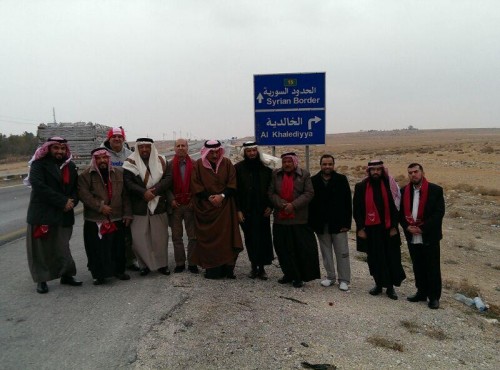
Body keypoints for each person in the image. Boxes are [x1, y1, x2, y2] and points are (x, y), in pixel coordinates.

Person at [25, 137, 82, 294]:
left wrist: (72, 202)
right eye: (56, 148)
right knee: (41, 249)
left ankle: (67, 275)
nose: (60, 151)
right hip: (43, 214)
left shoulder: (70, 166)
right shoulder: (38, 164)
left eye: (62, 149)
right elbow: (38, 186)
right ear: (49, 149)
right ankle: (41, 279)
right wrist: (63, 201)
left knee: (63, 247)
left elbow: (76, 188)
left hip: (64, 214)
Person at [78, 147, 133, 285]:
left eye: (105, 157)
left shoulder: (118, 174)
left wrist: (127, 213)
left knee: (118, 247)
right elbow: (84, 195)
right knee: (97, 249)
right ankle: (99, 275)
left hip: (116, 217)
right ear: (94, 160)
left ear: (108, 159)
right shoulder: (85, 175)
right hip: (96, 219)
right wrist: (100, 207)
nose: (102, 160)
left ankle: (119, 271)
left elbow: (125, 196)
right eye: (99, 158)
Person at [353, 159, 406, 299]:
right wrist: (360, 228)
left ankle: (390, 287)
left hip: (388, 229)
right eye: (373, 170)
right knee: (374, 258)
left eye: (378, 169)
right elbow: (357, 210)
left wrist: (394, 226)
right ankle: (378, 284)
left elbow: (397, 207)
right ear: (369, 171)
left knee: (391, 258)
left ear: (382, 170)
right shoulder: (361, 186)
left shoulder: (390, 185)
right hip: (371, 230)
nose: (375, 172)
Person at [190, 140, 243, 279]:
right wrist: (210, 198)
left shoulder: (227, 163)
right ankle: (212, 267)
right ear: (206, 152)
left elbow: (232, 184)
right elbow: (196, 187)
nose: (214, 155)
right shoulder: (198, 165)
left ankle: (228, 268)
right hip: (206, 209)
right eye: (211, 152)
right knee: (209, 240)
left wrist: (222, 196)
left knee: (227, 238)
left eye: (216, 152)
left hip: (226, 208)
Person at [268, 152, 320, 288]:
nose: (286, 164)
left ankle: (299, 277)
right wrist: (281, 204)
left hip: (299, 219)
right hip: (281, 219)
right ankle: (288, 274)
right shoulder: (276, 174)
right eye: (284, 162)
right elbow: (271, 193)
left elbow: (309, 193)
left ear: (295, 162)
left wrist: (293, 205)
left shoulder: (304, 174)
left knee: (300, 250)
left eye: (289, 162)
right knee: (283, 249)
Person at [123, 138, 171, 276]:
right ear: (137, 148)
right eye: (141, 147)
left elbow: (168, 178)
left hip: (158, 206)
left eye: (147, 147)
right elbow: (128, 182)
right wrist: (143, 192)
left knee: (160, 238)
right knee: (139, 239)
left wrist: (154, 191)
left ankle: (162, 265)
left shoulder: (162, 161)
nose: (144, 150)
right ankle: (144, 266)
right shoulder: (129, 163)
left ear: (152, 148)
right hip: (139, 207)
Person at [400, 163, 445, 309]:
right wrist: (407, 227)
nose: (413, 175)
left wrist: (422, 229)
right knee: (417, 266)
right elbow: (400, 214)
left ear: (422, 172)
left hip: (429, 236)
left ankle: (434, 297)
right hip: (412, 236)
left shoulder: (435, 190)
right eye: (410, 173)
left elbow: (438, 213)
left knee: (432, 267)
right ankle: (421, 292)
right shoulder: (404, 191)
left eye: (416, 172)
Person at [308, 154, 352, 291]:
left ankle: (344, 280)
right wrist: (312, 223)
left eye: (330, 164)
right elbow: (311, 204)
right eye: (324, 164)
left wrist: (347, 223)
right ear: (320, 165)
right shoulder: (313, 180)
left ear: (333, 165)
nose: (327, 166)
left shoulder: (341, 179)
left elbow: (347, 202)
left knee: (342, 252)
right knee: (326, 252)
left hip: (339, 224)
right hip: (321, 224)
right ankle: (330, 277)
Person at [235, 141, 274, 280]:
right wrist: (238, 210)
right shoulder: (238, 169)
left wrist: (271, 206)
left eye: (253, 151)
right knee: (250, 238)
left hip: (262, 211)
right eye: (248, 151)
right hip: (246, 211)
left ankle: (262, 268)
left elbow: (271, 190)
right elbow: (236, 192)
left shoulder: (266, 169)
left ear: (257, 152)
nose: (251, 153)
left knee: (263, 238)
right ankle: (253, 266)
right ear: (244, 153)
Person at [102, 126, 138, 272]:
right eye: (114, 137)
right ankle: (111, 262)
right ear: (109, 139)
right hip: (108, 199)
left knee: (128, 232)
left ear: (123, 139)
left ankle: (129, 260)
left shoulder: (130, 155)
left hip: (126, 198)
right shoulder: (102, 154)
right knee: (109, 233)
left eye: (119, 137)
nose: (117, 139)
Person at [166, 138, 198, 274]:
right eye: (178, 146)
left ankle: (192, 263)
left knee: (193, 236)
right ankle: (180, 263)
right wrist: (171, 199)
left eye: (183, 146)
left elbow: (199, 185)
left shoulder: (196, 165)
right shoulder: (168, 165)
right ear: (174, 148)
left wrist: (194, 200)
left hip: (191, 205)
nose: (180, 148)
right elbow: (165, 185)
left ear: (187, 148)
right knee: (176, 237)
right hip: (175, 206)